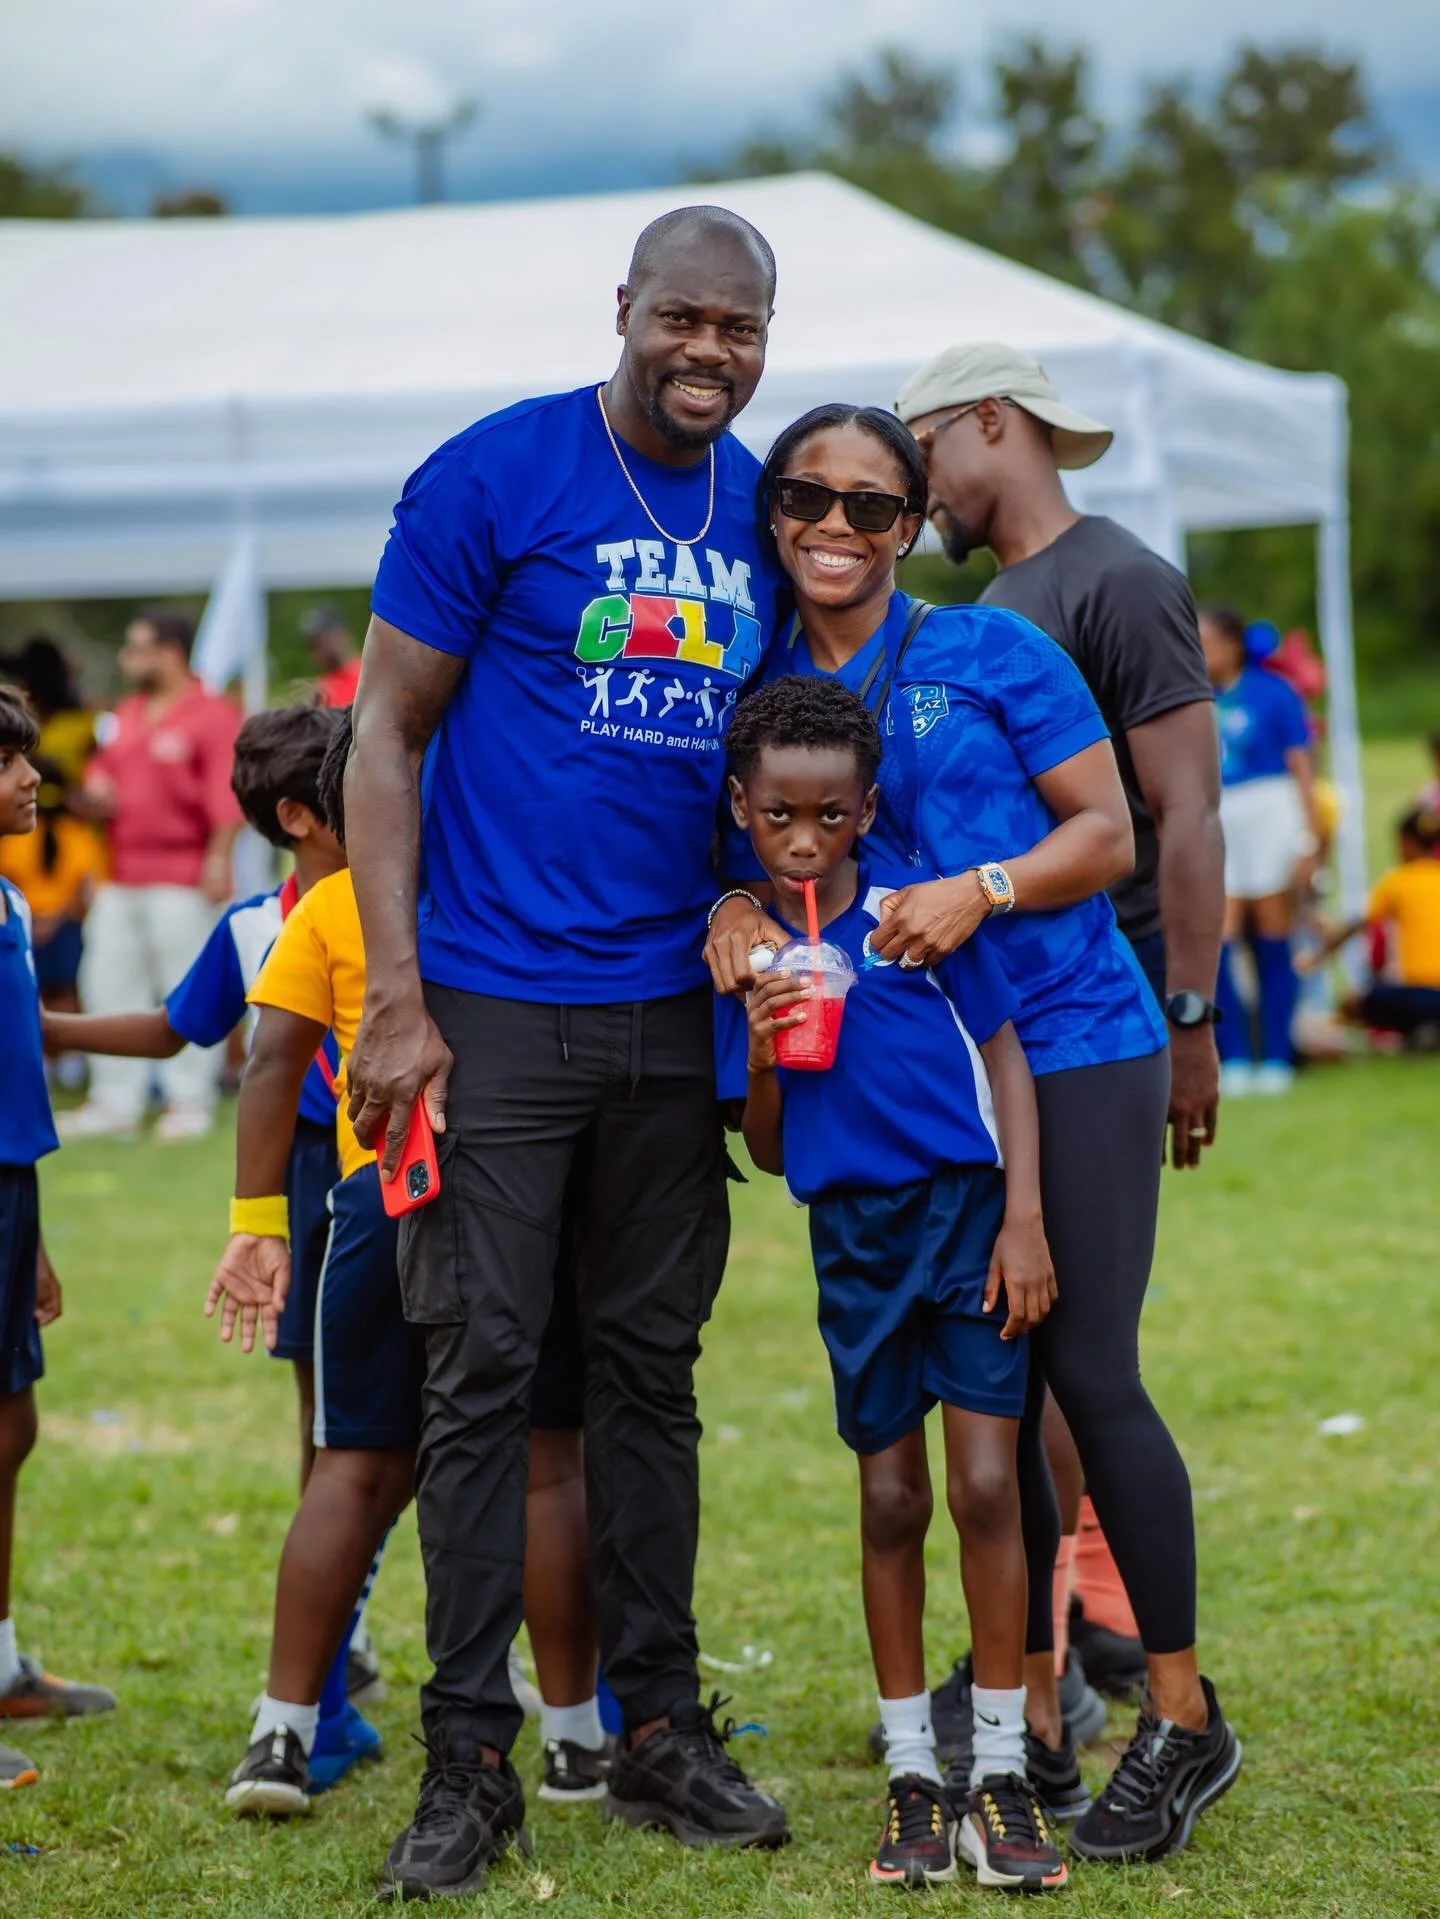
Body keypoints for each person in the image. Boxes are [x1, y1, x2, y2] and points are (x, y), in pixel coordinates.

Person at [341, 204, 792, 1897]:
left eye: (742, 331)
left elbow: (793, 754)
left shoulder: (769, 504)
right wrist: (395, 990)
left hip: (675, 1010)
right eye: (685, 319)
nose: (711, 355)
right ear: (625, 309)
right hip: (493, 1001)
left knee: (648, 1379)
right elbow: (384, 731)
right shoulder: (495, 475)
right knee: (477, 1376)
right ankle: (471, 1759)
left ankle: (658, 1724)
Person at [730, 402, 1239, 1865]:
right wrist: (729, 911)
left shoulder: (991, 647)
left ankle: (1185, 1714)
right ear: (775, 512)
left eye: (875, 506)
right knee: (989, 1394)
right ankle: (1031, 1719)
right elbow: (747, 855)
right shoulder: (759, 680)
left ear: (908, 525)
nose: (838, 527)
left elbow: (1110, 832)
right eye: (809, 498)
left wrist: (987, 887)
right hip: (907, 1083)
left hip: (1071, 1034)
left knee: (1085, 1361)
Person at [895, 344, 1227, 1733]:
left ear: (989, 421)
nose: (915, 489)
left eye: (919, 452)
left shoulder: (1117, 577)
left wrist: (1194, 1013)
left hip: (1113, 998)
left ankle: (1132, 1677)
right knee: (1018, 1368)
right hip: (996, 1021)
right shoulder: (981, 609)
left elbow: (1184, 811)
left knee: (1084, 1360)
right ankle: (1037, 1672)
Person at [728, 677, 1068, 1893]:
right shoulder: (751, 948)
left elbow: (1006, 1059)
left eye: (829, 814)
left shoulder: (913, 914)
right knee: (888, 1500)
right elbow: (769, 1147)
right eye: (780, 817)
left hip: (971, 1219)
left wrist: (1024, 1217)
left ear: (867, 809)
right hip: (856, 1240)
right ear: (744, 809)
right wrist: (765, 1041)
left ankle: (1000, 1766)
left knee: (986, 1481)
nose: (806, 838)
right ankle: (912, 1773)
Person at [42, 705, 347, 1496]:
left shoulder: (421, 895)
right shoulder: (251, 927)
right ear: (298, 818)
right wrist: (44, 1026)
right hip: (306, 1168)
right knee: (325, 1398)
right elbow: (172, 1028)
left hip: (414, 1150)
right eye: (357, 780)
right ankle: (342, 1611)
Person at [0, 686, 116, 1790]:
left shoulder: (3, 892)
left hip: (9, 1187)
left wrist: (30, 1231)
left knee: (13, 1426)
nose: (31, 777)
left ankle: (1, 1663)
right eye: (7, 761)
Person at [63, 608, 243, 1142]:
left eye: (137, 647)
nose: (127, 658)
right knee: (108, 983)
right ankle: (114, 1102)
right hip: (122, 872)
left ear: (170, 651)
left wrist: (218, 857)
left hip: (183, 875)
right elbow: (103, 773)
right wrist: (95, 795)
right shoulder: (127, 712)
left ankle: (189, 1100)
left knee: (184, 988)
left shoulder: (212, 714)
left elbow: (228, 796)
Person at [1197, 604, 1321, 1094]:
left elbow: (1303, 769)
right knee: (1221, 935)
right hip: (1222, 817)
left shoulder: (1275, 693)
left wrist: (1311, 841)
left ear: (1231, 644)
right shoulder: (1194, 698)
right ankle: (1234, 1057)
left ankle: (1276, 1057)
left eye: (1205, 642)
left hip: (1272, 811)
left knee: (1273, 931)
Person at [1303, 805, 1440, 1045]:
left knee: (1354, 1002)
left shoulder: (1398, 881)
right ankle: (1428, 1030)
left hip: (1418, 993)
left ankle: (1417, 1029)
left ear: (1406, 843)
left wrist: (1315, 958)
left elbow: (1356, 926)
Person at [301, 607, 363, 709]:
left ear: (342, 634)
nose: (318, 652)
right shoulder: (320, 688)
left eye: (320, 642)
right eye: (313, 645)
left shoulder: (368, 675)